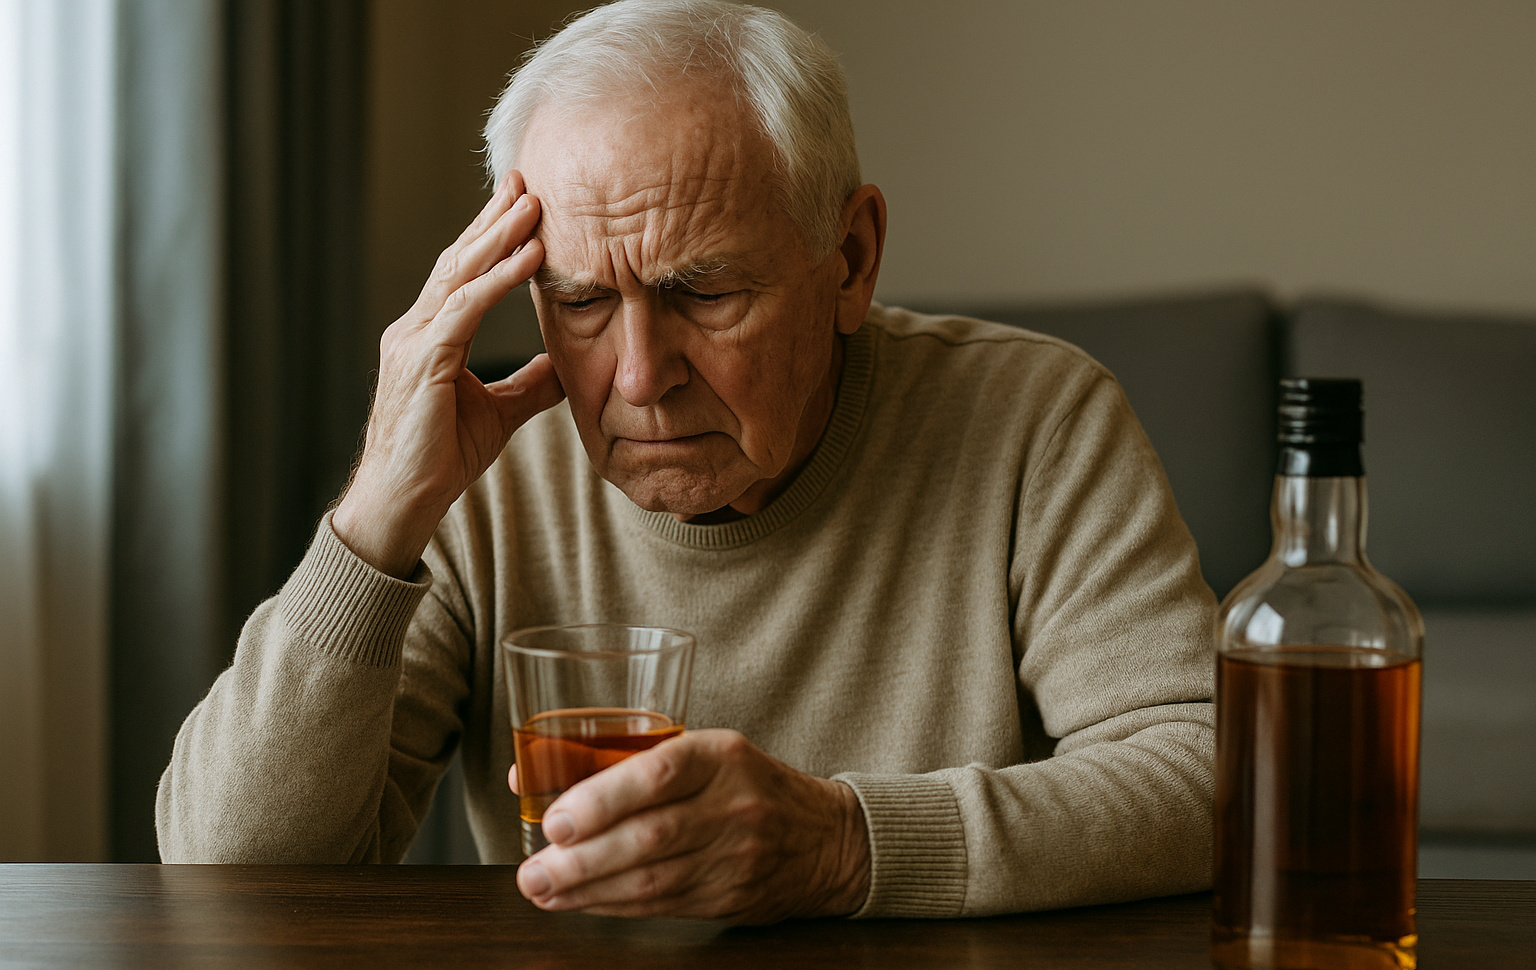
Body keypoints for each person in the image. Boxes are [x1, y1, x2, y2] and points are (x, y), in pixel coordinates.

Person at [157, 0, 1215, 923]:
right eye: (578, 304)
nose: (636, 377)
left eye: (704, 294)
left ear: (851, 260)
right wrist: (377, 516)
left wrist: (846, 845)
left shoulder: (1037, 420)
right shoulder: (482, 478)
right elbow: (227, 875)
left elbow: (1213, 775)